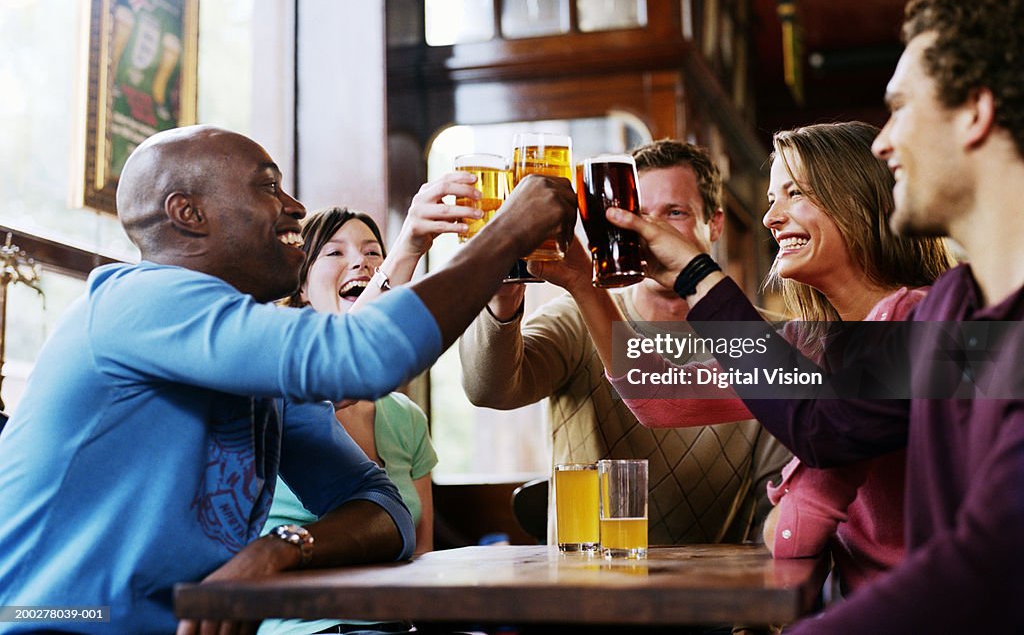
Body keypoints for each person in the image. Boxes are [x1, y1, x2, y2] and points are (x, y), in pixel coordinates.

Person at [0, 125, 576, 635]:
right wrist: (506, 234)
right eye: (268, 186)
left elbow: (385, 510)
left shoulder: (250, 364)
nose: (296, 206)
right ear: (187, 213)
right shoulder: (139, 299)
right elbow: (364, 357)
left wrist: (281, 548)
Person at [606, 0, 1024, 632]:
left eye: (901, 108)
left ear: (975, 111)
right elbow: (657, 384)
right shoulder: (943, 315)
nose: (884, 144)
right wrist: (581, 274)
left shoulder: (929, 323)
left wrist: (696, 275)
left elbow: (824, 431)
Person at [592, 123, 952, 594]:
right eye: (770, 200)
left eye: (794, 193)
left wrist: (698, 276)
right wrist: (581, 278)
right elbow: (658, 396)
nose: (770, 218)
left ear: (863, 201)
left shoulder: (915, 320)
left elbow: (791, 533)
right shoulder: (811, 341)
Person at [459, 140, 789, 546]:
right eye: (634, 214)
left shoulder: (773, 342)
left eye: (675, 212)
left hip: (718, 594)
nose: (648, 230)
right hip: (591, 594)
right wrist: (502, 297)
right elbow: (487, 389)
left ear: (715, 223)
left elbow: (776, 511)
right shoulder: (576, 319)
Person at [261, 201, 445, 635]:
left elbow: (422, 555)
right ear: (302, 286)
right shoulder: (277, 383)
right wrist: (409, 246)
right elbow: (343, 362)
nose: (360, 261)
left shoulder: (406, 419)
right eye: (335, 252)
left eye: (372, 251)